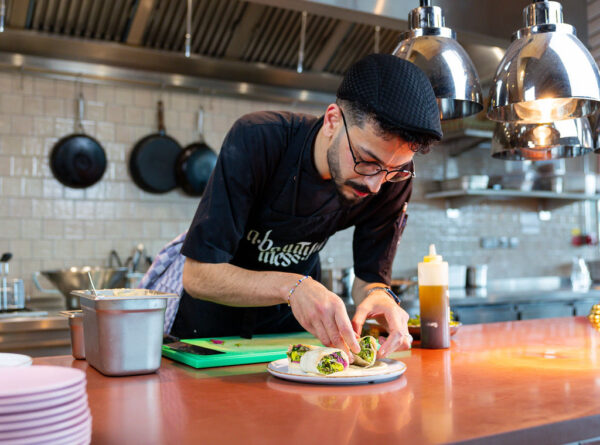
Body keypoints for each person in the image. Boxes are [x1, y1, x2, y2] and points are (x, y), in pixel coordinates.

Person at [170, 53, 442, 359]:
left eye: (395, 170)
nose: (376, 185)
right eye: (367, 161)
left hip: (290, 340)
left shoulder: (393, 181)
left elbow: (368, 278)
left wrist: (380, 297)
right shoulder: (259, 139)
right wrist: (294, 287)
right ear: (332, 121)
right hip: (210, 338)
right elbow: (198, 275)